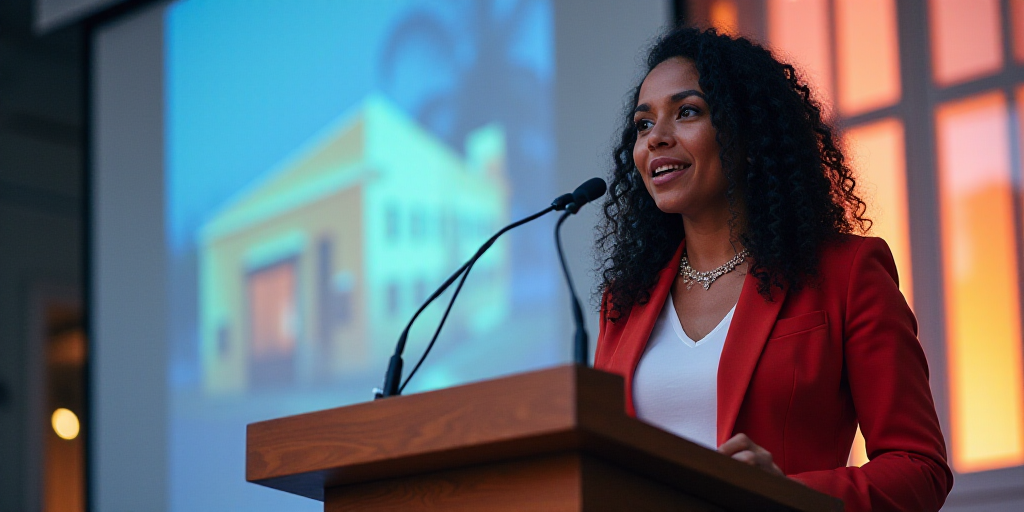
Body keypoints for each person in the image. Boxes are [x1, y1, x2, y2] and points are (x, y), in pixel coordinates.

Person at [593, 27, 952, 512]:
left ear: (751, 135)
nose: (655, 139)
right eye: (642, 125)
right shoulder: (624, 302)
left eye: (688, 112)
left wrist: (784, 496)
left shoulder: (847, 273)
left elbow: (919, 467)